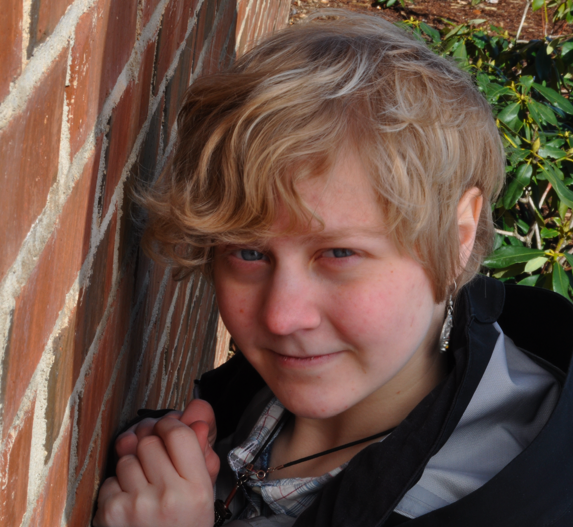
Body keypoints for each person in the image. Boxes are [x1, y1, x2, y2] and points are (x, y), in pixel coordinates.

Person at [93, 11, 573, 527]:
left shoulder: (517, 503)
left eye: (339, 254)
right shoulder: (267, 398)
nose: (281, 316)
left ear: (458, 234)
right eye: (248, 253)